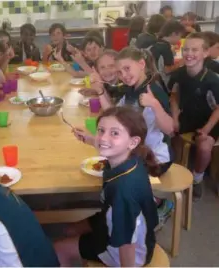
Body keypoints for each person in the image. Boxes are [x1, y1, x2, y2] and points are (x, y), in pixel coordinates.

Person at [54, 106, 159, 267]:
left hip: (130, 253)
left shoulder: (123, 192)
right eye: (101, 130)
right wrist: (89, 139)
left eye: (114, 133)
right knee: (69, 229)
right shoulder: (130, 159)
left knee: (58, 248)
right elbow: (107, 142)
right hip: (115, 223)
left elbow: (127, 244)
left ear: (133, 142)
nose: (103, 138)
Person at [83, 47, 175, 228]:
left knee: (116, 171)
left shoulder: (153, 90)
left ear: (141, 64)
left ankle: (159, 204)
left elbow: (171, 129)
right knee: (107, 161)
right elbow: (115, 115)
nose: (123, 75)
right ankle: (114, 208)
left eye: (127, 68)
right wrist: (100, 91)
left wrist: (155, 105)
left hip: (155, 157)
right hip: (135, 150)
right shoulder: (132, 89)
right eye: (120, 71)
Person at [169, 32, 219, 200]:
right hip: (188, 116)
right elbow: (174, 96)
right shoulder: (179, 74)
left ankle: (197, 178)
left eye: (195, 50)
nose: (189, 53)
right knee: (168, 131)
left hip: (211, 120)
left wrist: (206, 129)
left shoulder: (212, 79)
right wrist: (175, 118)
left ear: (205, 53)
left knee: (204, 146)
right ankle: (175, 168)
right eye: (186, 49)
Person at [149, 20, 185, 87]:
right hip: (164, 84)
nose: (180, 39)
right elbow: (167, 70)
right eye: (180, 36)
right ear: (174, 34)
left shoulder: (156, 43)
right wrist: (181, 63)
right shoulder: (166, 48)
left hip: (153, 81)